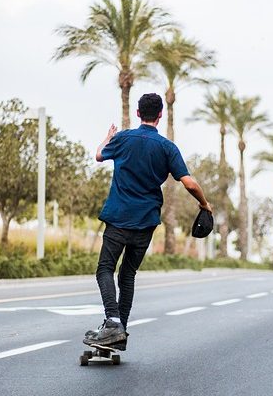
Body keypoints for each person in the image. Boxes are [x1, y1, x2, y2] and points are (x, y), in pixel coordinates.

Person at [84, 93, 212, 350]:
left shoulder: (122, 139)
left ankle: (112, 322)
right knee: (128, 274)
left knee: (105, 269)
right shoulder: (167, 148)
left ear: (138, 113)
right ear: (161, 115)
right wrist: (204, 204)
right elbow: (188, 182)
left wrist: (107, 138)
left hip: (119, 218)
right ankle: (121, 331)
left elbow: (98, 156)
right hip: (146, 222)